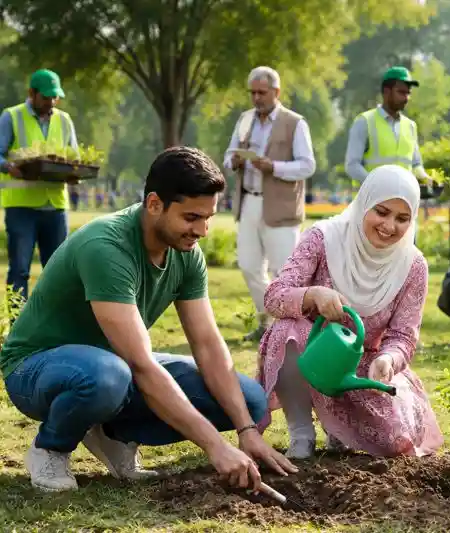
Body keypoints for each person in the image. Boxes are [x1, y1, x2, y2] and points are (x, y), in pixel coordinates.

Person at [0, 146, 297, 493]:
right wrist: (215, 446)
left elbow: (208, 344)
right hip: (36, 368)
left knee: (249, 401)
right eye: (191, 218)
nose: (202, 230)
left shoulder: (186, 253)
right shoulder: (106, 247)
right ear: (155, 204)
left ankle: (114, 435)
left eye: (208, 217)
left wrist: (246, 430)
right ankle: (50, 448)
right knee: (108, 376)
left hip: (116, 363)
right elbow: (141, 363)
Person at [255, 165, 443, 460]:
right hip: (316, 349)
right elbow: (274, 297)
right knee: (286, 331)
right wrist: (313, 295)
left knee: (397, 441)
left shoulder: (412, 266)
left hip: (363, 365)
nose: (389, 226)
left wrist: (388, 359)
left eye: (402, 218)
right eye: (381, 212)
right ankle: (302, 433)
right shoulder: (323, 239)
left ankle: (339, 433)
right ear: (364, 202)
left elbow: (403, 337)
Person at [223, 66, 316, 342]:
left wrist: (273, 167)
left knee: (284, 270)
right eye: (252, 92)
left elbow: (307, 165)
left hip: (281, 207)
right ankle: (268, 322)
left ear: (276, 92)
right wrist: (234, 161)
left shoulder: (295, 122)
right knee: (249, 266)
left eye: (261, 93)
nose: (256, 98)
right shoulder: (244, 120)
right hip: (249, 201)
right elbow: (228, 157)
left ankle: (296, 331)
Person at [0, 69, 79, 303]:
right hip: (21, 208)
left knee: (58, 273)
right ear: (31, 93)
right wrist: (9, 167)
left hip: (55, 207)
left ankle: (53, 326)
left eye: (55, 97)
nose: (51, 102)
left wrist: (74, 173)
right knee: (20, 271)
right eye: (46, 97)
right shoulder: (11, 117)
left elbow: (73, 157)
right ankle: (18, 330)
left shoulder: (64, 120)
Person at [344, 66, 432, 188]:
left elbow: (416, 164)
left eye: (408, 93)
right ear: (386, 91)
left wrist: (425, 178)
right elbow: (352, 165)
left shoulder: (410, 126)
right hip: (373, 202)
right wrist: (376, 185)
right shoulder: (364, 122)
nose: (406, 98)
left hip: (404, 201)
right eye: (401, 92)